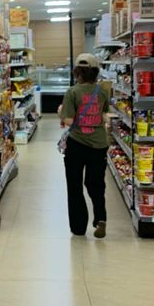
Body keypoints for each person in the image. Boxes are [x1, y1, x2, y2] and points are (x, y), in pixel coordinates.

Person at [59, 53, 110, 238]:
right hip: (99, 144)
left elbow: (68, 120)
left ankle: (79, 227)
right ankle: (101, 218)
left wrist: (60, 113)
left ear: (77, 72)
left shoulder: (72, 92)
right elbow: (104, 114)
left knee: (74, 185)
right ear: (96, 72)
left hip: (77, 144)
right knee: (96, 184)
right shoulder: (102, 91)